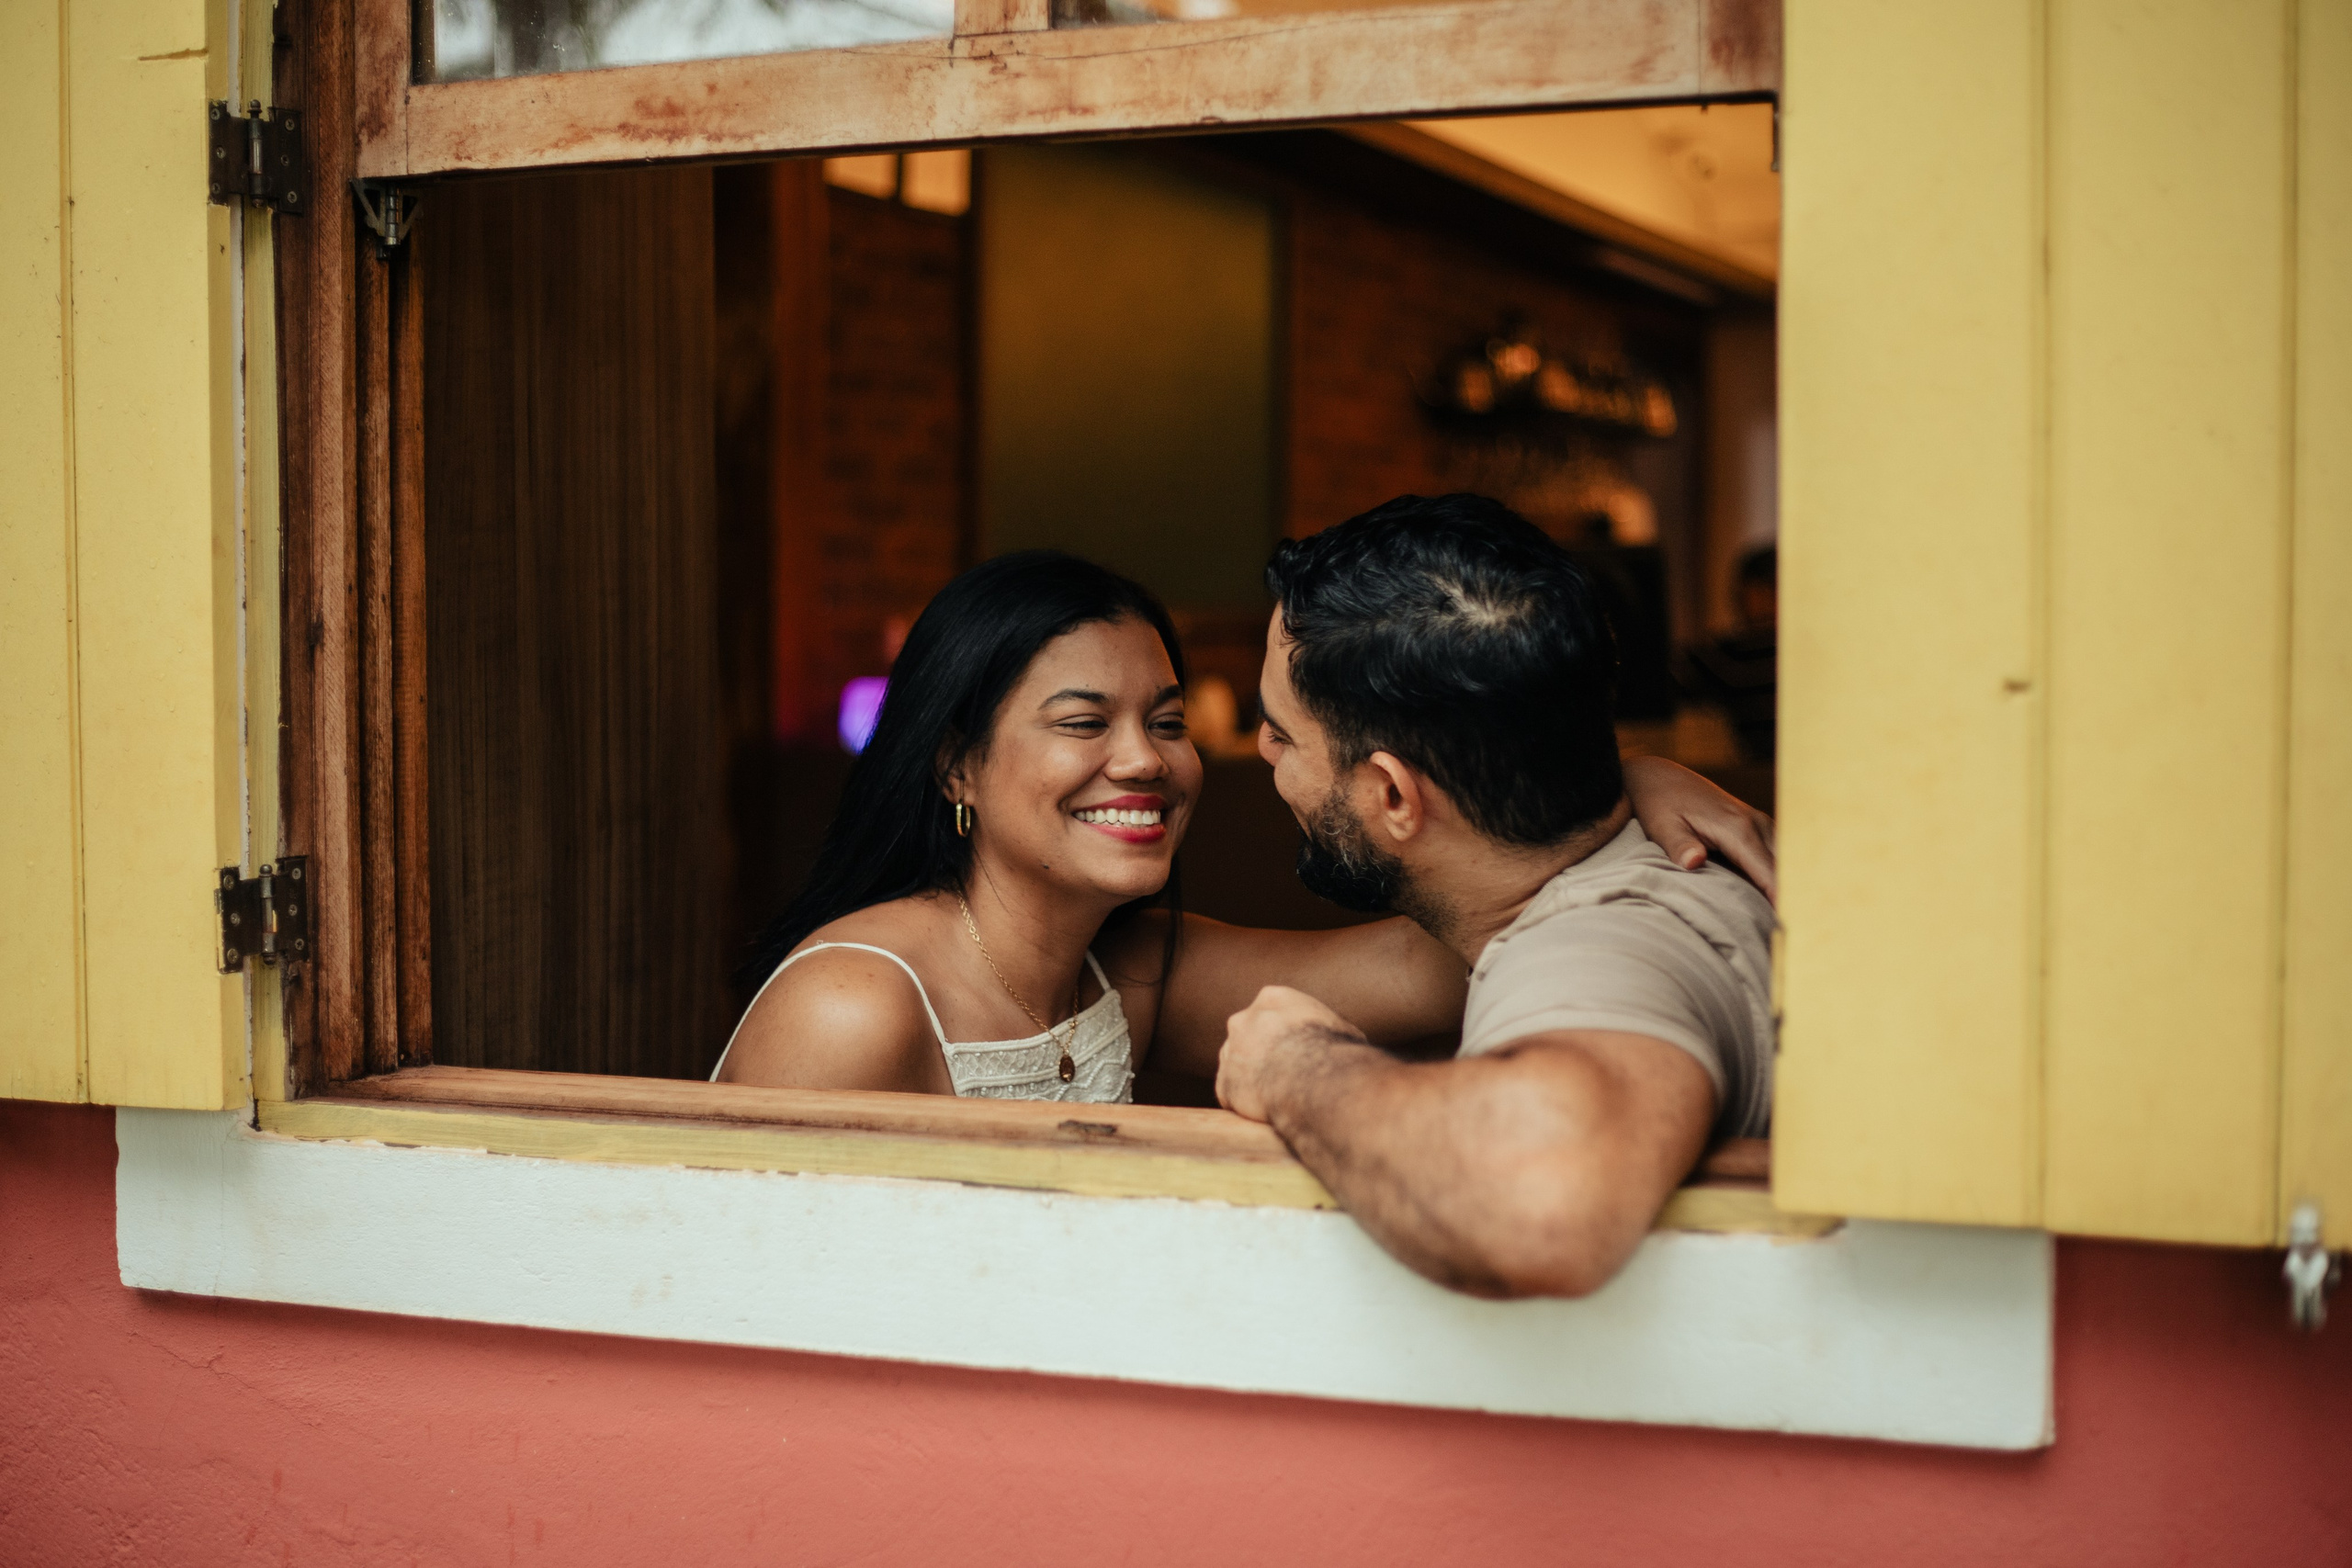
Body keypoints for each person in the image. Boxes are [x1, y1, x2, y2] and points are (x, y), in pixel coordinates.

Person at [713, 549, 1772, 1103]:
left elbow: (1442, 959)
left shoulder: (1118, 970)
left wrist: (1611, 778)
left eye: (1166, 721)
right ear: (956, 761)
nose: (1146, 759)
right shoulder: (856, 1005)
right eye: (1085, 721)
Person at [1216, 494, 1777, 1300]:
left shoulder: (1601, 947)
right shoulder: (1588, 878)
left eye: (1283, 731)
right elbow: (1168, 987)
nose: (1264, 749)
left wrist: (1296, 1069)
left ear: (1394, 797)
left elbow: (1538, 1198)